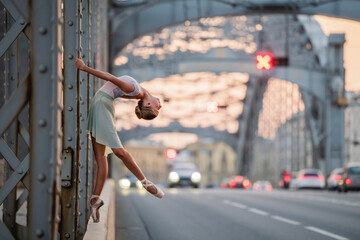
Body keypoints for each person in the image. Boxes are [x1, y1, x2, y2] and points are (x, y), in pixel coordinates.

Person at [74, 57, 164, 223]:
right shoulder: (140, 92)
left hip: (101, 104)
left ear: (148, 104)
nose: (160, 105)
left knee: (114, 153)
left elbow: (110, 77)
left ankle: (98, 198)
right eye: (159, 108)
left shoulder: (136, 90)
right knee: (102, 157)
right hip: (101, 104)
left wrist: (84, 68)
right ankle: (98, 199)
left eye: (158, 108)